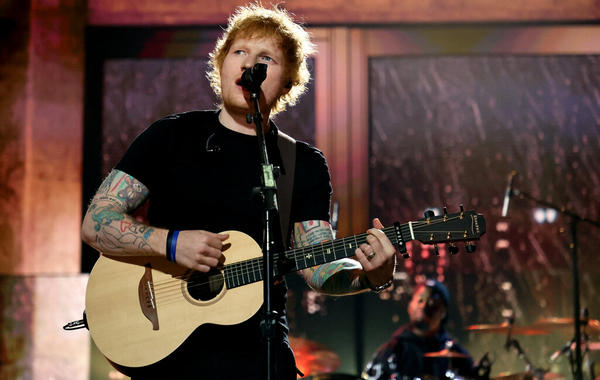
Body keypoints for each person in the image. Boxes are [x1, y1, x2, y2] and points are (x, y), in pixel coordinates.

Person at [81, 4, 397, 379]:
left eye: (266, 58)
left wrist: (370, 276)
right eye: (240, 52)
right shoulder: (170, 137)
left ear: (288, 82)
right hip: (169, 354)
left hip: (257, 357)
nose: (250, 65)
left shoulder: (302, 163)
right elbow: (96, 222)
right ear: (221, 64)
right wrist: (170, 243)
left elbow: (318, 264)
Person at [362, 279, 475, 380]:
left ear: (443, 312)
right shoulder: (393, 349)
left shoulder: (455, 353)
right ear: (410, 305)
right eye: (420, 300)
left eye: (432, 304)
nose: (424, 306)